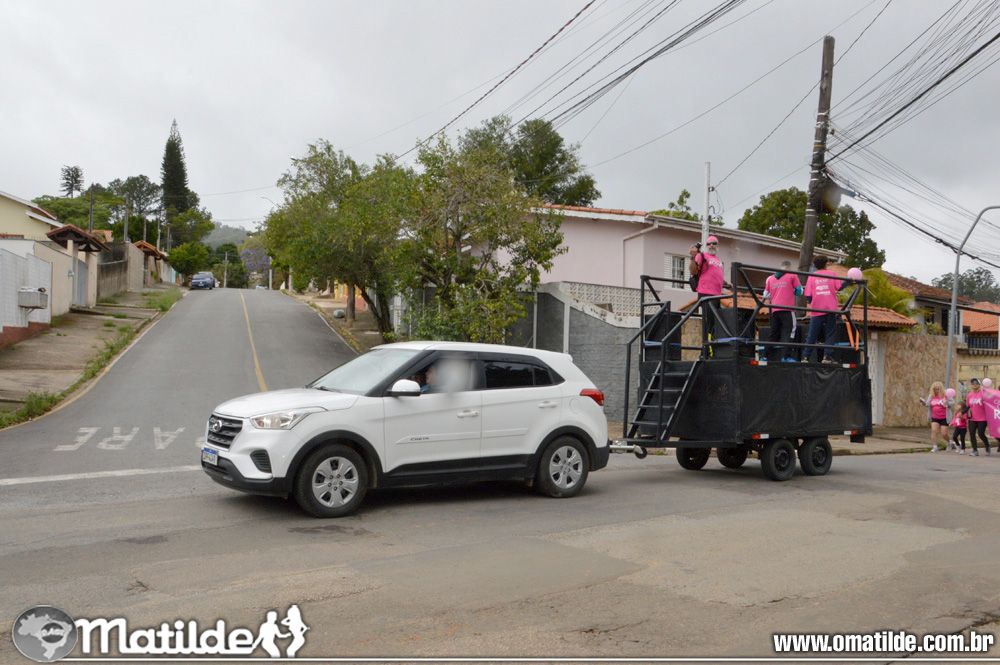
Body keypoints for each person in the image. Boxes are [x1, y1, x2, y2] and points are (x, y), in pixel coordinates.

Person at [688, 235, 730, 343]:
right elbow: (693, 271)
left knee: (715, 323)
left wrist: (727, 284)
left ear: (717, 245)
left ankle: (712, 346)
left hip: (717, 295)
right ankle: (707, 348)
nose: (711, 245)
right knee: (709, 322)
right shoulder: (702, 255)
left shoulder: (719, 260)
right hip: (705, 293)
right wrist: (693, 257)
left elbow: (716, 275)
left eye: (714, 243)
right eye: (709, 243)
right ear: (706, 246)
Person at [804, 256, 845, 362]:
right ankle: (827, 357)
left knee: (812, 334)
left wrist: (812, 302)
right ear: (826, 263)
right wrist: (849, 282)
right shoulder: (832, 274)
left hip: (816, 309)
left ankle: (806, 357)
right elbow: (839, 287)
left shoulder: (812, 276)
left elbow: (808, 295)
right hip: (830, 309)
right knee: (830, 333)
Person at [762, 260, 803, 362]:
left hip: (775, 309)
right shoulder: (792, 275)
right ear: (789, 267)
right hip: (787, 309)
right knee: (790, 331)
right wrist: (791, 290)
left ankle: (765, 356)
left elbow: (766, 295)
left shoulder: (770, 278)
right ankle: (786, 357)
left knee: (774, 333)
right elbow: (800, 291)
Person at [919, 381, 950, 452]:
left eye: (938, 389)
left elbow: (951, 403)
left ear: (941, 389)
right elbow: (928, 404)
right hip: (935, 417)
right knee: (934, 431)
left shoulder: (945, 395)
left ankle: (949, 442)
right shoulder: (931, 396)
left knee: (944, 434)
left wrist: (947, 403)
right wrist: (923, 403)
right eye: (935, 389)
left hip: (944, 417)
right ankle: (935, 446)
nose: (937, 390)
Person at [965, 378, 990, 456]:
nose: (974, 384)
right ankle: (975, 450)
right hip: (972, 418)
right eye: (973, 383)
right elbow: (968, 406)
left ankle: (987, 445)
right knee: (972, 433)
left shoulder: (983, 393)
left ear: (979, 384)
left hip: (983, 418)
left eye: (976, 383)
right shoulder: (969, 395)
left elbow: (989, 404)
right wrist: (963, 413)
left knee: (981, 434)